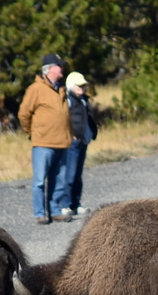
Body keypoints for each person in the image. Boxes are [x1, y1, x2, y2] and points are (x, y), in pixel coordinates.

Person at [16, 54, 73, 224]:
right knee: (40, 181)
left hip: (62, 142)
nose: (62, 69)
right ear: (49, 68)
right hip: (43, 143)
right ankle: (40, 214)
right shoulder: (36, 89)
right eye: (59, 66)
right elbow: (23, 114)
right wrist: (33, 132)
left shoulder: (61, 88)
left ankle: (55, 211)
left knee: (59, 180)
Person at [63, 70, 100, 216]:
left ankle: (76, 203)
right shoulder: (68, 100)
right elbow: (63, 120)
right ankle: (66, 205)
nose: (82, 88)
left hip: (83, 141)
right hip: (72, 143)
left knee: (77, 176)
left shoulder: (83, 99)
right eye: (79, 86)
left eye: (83, 85)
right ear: (71, 86)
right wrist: (71, 134)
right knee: (69, 175)